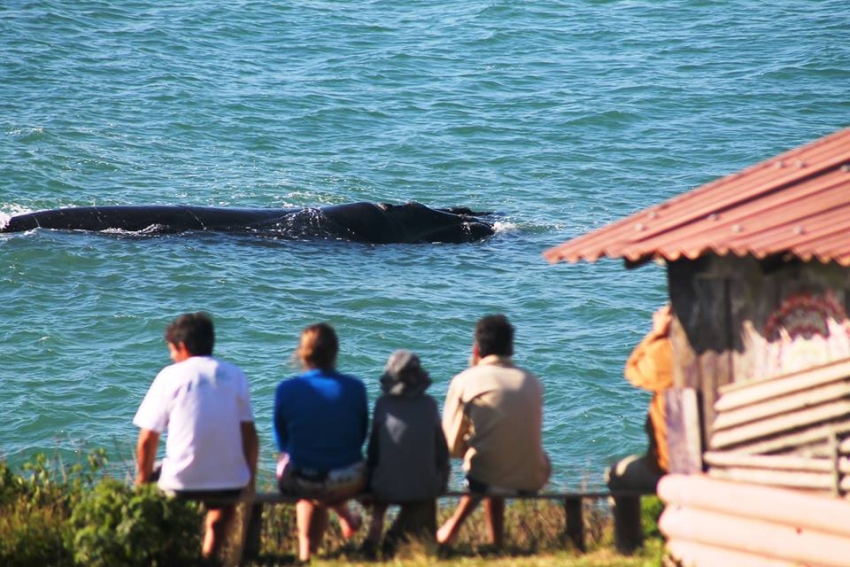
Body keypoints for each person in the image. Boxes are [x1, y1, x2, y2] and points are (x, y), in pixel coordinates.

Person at [133, 311, 259, 561]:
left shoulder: (170, 376)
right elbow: (249, 436)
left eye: (171, 349)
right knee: (222, 507)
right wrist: (250, 479)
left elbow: (148, 438)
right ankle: (209, 557)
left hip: (180, 481)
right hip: (230, 481)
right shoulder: (235, 374)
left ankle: (167, 553)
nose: (171, 356)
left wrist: (142, 479)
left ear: (181, 346)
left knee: (156, 480)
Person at [437, 314, 550, 547]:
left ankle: (452, 529)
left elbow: (450, 445)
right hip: (533, 476)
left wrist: (469, 446)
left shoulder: (464, 380)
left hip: (486, 476)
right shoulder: (531, 381)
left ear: (476, 349)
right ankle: (495, 541)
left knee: (485, 458)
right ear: (511, 348)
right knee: (497, 449)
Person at [273, 322, 368, 563]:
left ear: (302, 353)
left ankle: (306, 552)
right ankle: (346, 518)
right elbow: (360, 436)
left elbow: (281, 442)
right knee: (322, 469)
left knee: (302, 469)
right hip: (349, 480)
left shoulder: (286, 389)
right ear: (335, 352)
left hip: (305, 480)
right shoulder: (356, 388)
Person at [362, 350, 449, 557]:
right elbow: (441, 451)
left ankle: (375, 533)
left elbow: (374, 452)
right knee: (424, 493)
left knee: (382, 493)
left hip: (385, 486)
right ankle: (422, 543)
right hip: (424, 486)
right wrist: (441, 477)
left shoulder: (383, 405)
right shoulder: (430, 405)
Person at [606, 304, 673, 491]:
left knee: (616, 474)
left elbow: (632, 372)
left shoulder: (672, 357)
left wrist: (658, 333)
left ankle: (630, 521)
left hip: (669, 466)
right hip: (725, 464)